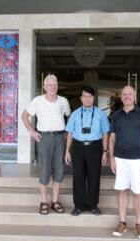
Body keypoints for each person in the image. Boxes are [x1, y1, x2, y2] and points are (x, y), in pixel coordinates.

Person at [109, 85, 140, 240]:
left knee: (138, 192)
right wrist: (111, 158)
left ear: (135, 96)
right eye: (124, 94)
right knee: (122, 190)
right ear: (121, 97)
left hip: (138, 159)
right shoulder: (116, 115)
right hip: (120, 159)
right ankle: (122, 222)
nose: (127, 96)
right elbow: (112, 138)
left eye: (130, 94)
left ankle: (139, 225)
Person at [22, 74, 71, 215]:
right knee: (44, 169)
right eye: (49, 85)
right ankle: (44, 201)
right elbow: (24, 116)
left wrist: (66, 131)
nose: (52, 87)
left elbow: (68, 115)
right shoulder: (38, 100)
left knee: (58, 169)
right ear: (44, 87)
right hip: (44, 138)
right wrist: (32, 131)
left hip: (60, 137)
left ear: (57, 86)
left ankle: (55, 201)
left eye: (54, 84)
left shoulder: (63, 101)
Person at [65, 85, 110, 216]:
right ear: (81, 98)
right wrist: (67, 150)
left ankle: (93, 205)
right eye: (85, 96)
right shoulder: (75, 114)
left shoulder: (101, 114)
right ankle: (78, 205)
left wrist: (105, 151)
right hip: (78, 148)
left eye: (90, 96)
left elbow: (105, 133)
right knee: (78, 176)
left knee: (94, 176)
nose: (87, 99)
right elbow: (69, 133)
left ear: (93, 98)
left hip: (95, 147)